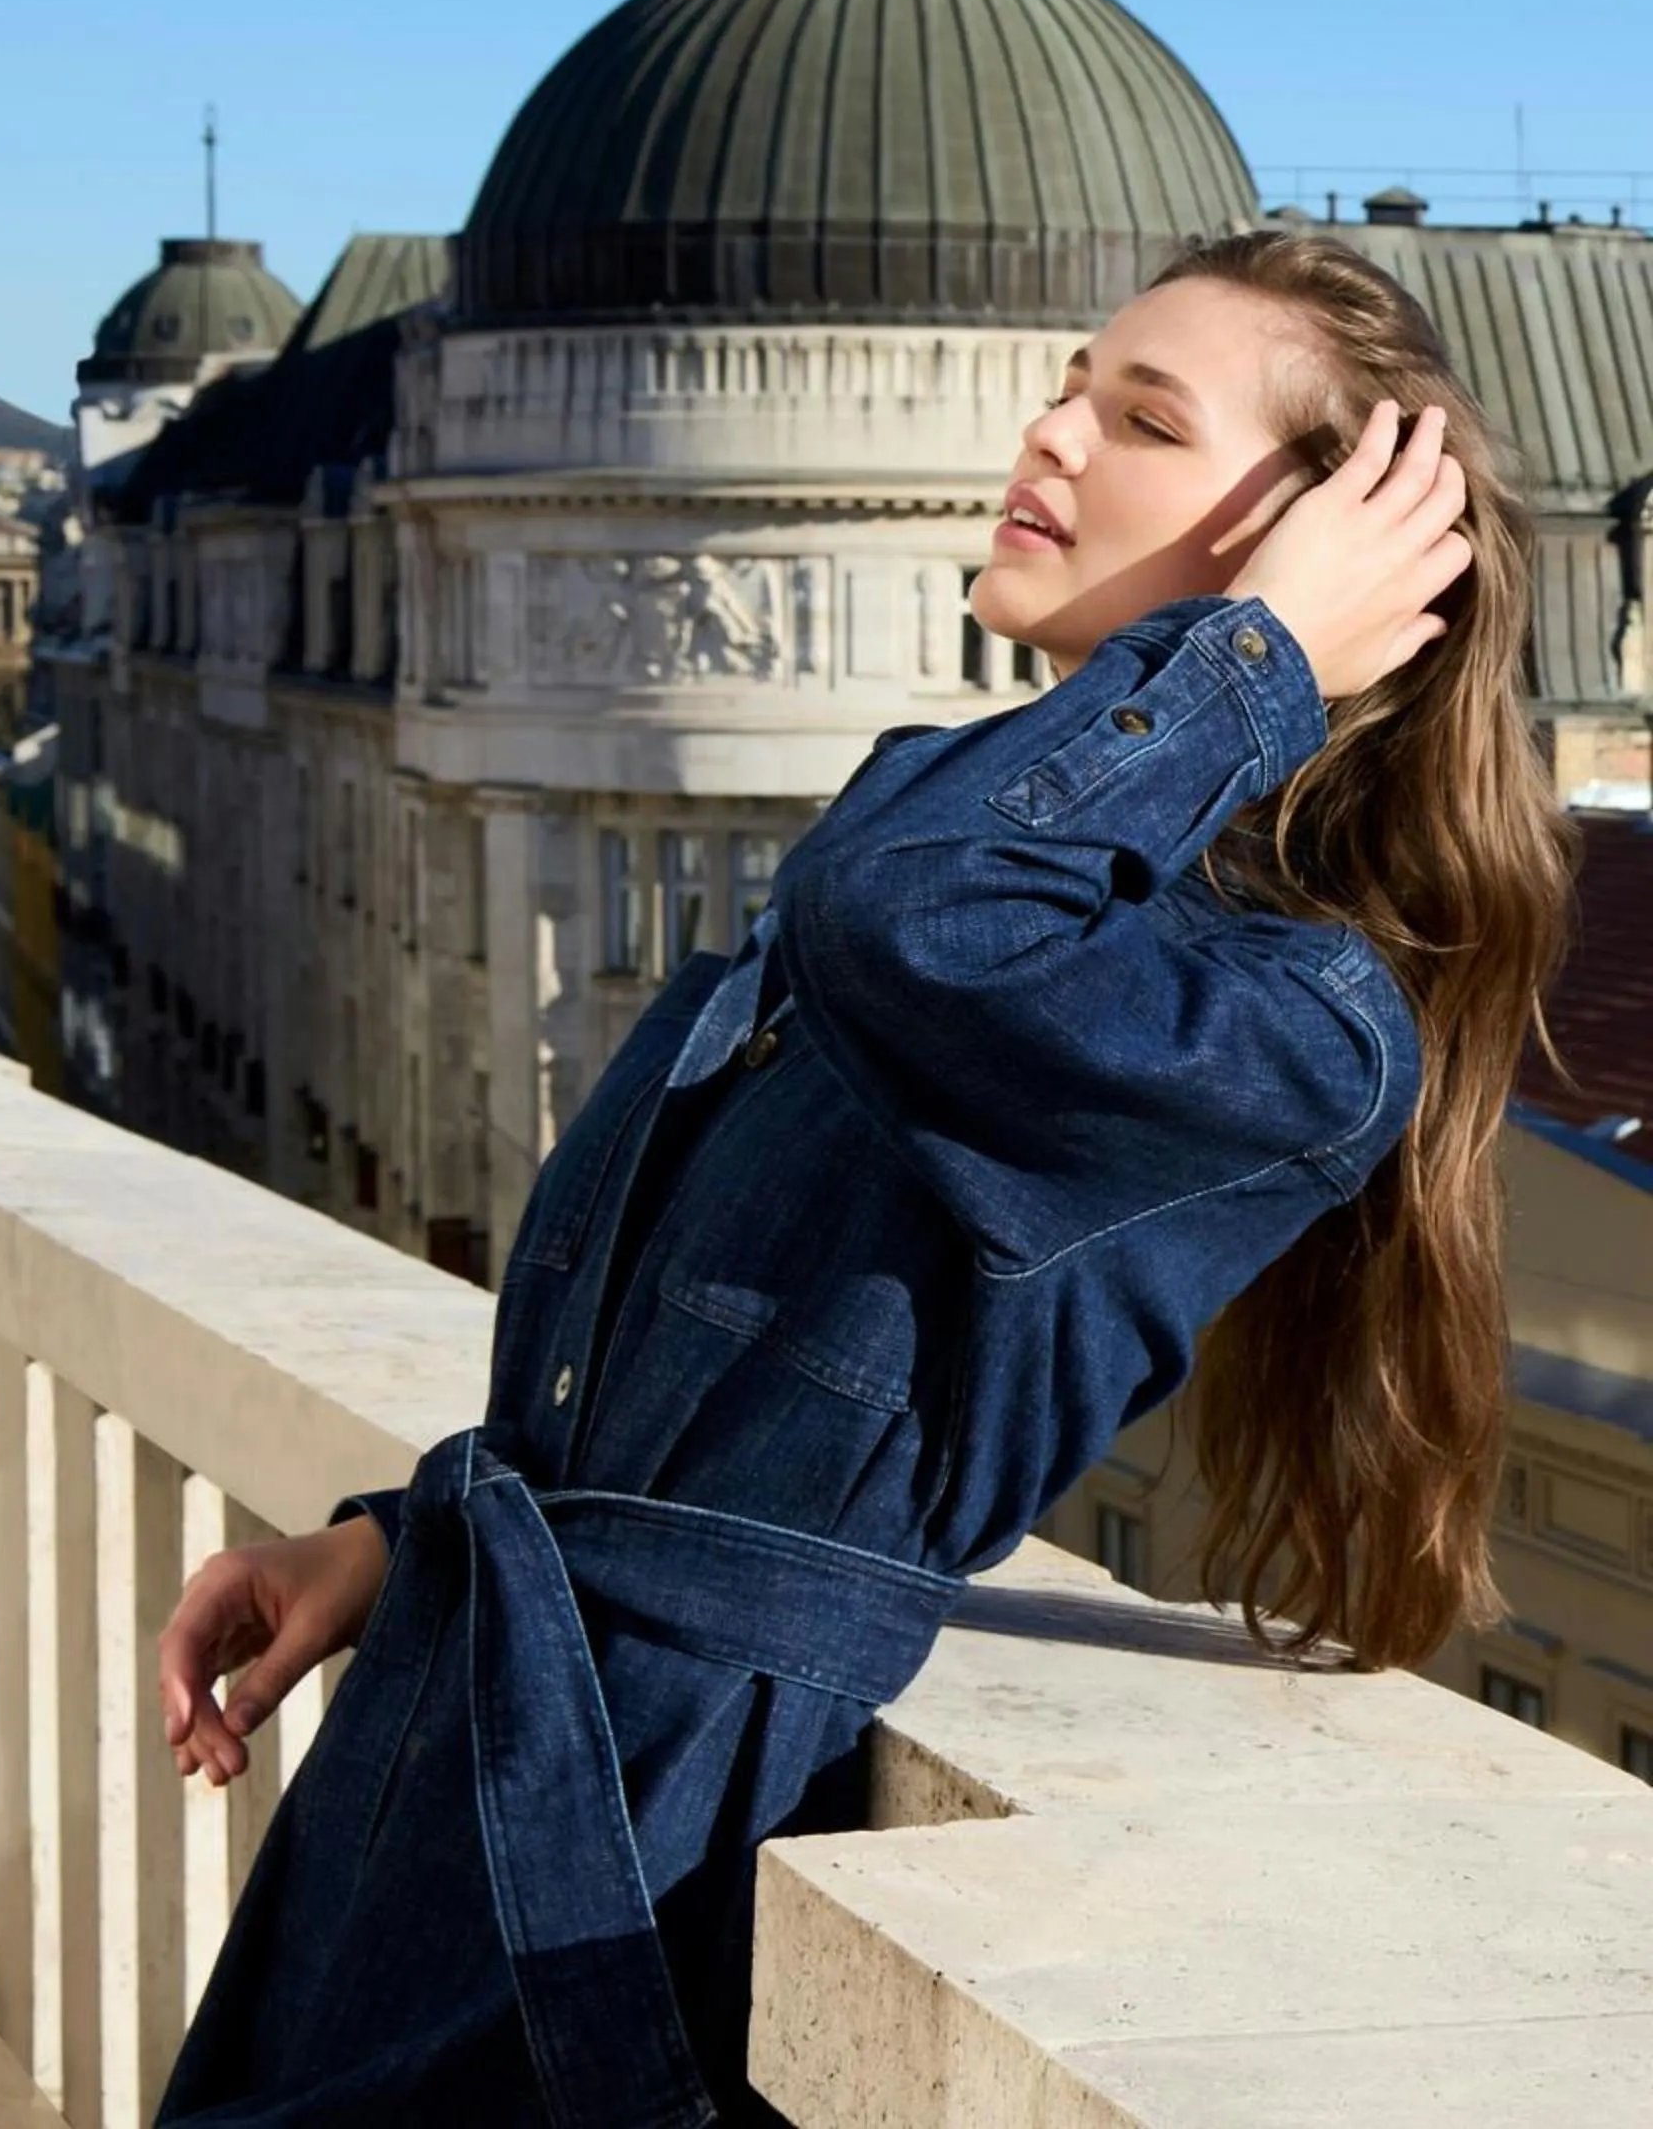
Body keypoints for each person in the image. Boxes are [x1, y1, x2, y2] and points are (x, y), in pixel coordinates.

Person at [152, 230, 1573, 2129]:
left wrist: (1253, 667)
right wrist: (397, 1546)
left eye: (1139, 417)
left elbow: (905, 918)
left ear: (1327, 557)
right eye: (1070, 383)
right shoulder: (968, 843)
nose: (1051, 434)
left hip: (649, 1838)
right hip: (485, 1725)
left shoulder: (1283, 1022)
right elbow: (709, 1342)